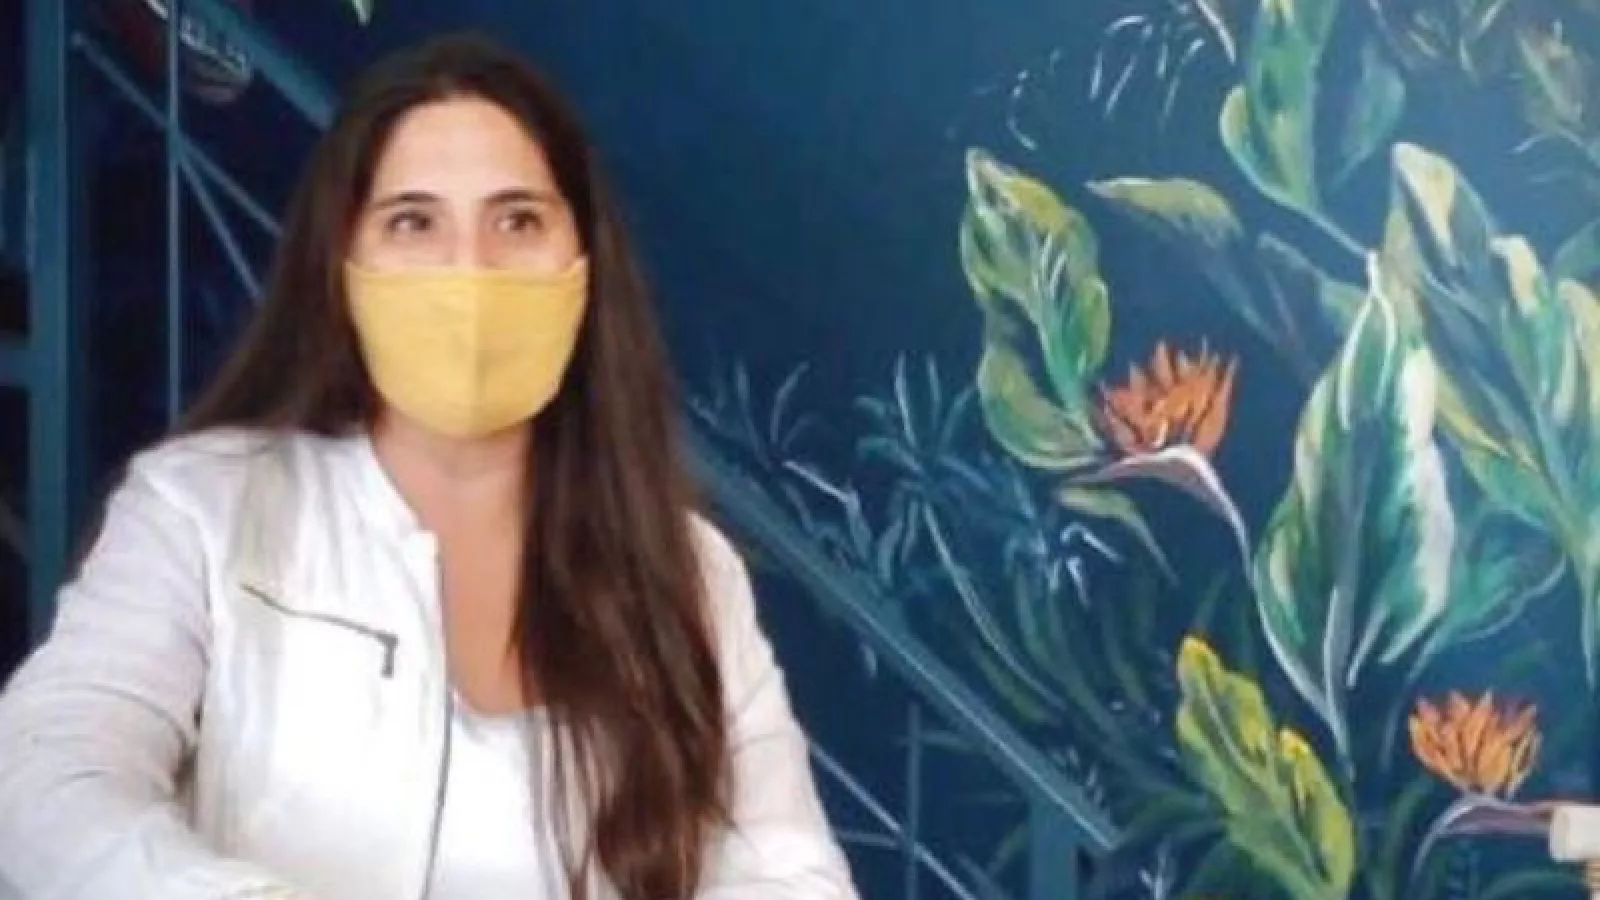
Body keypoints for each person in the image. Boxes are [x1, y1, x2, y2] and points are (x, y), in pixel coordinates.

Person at [0, 31, 858, 900]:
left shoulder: (690, 569)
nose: (469, 270)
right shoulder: (203, 508)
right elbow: (44, 782)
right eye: (413, 222)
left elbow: (795, 878)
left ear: (584, 265)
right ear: (345, 266)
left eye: (517, 221)